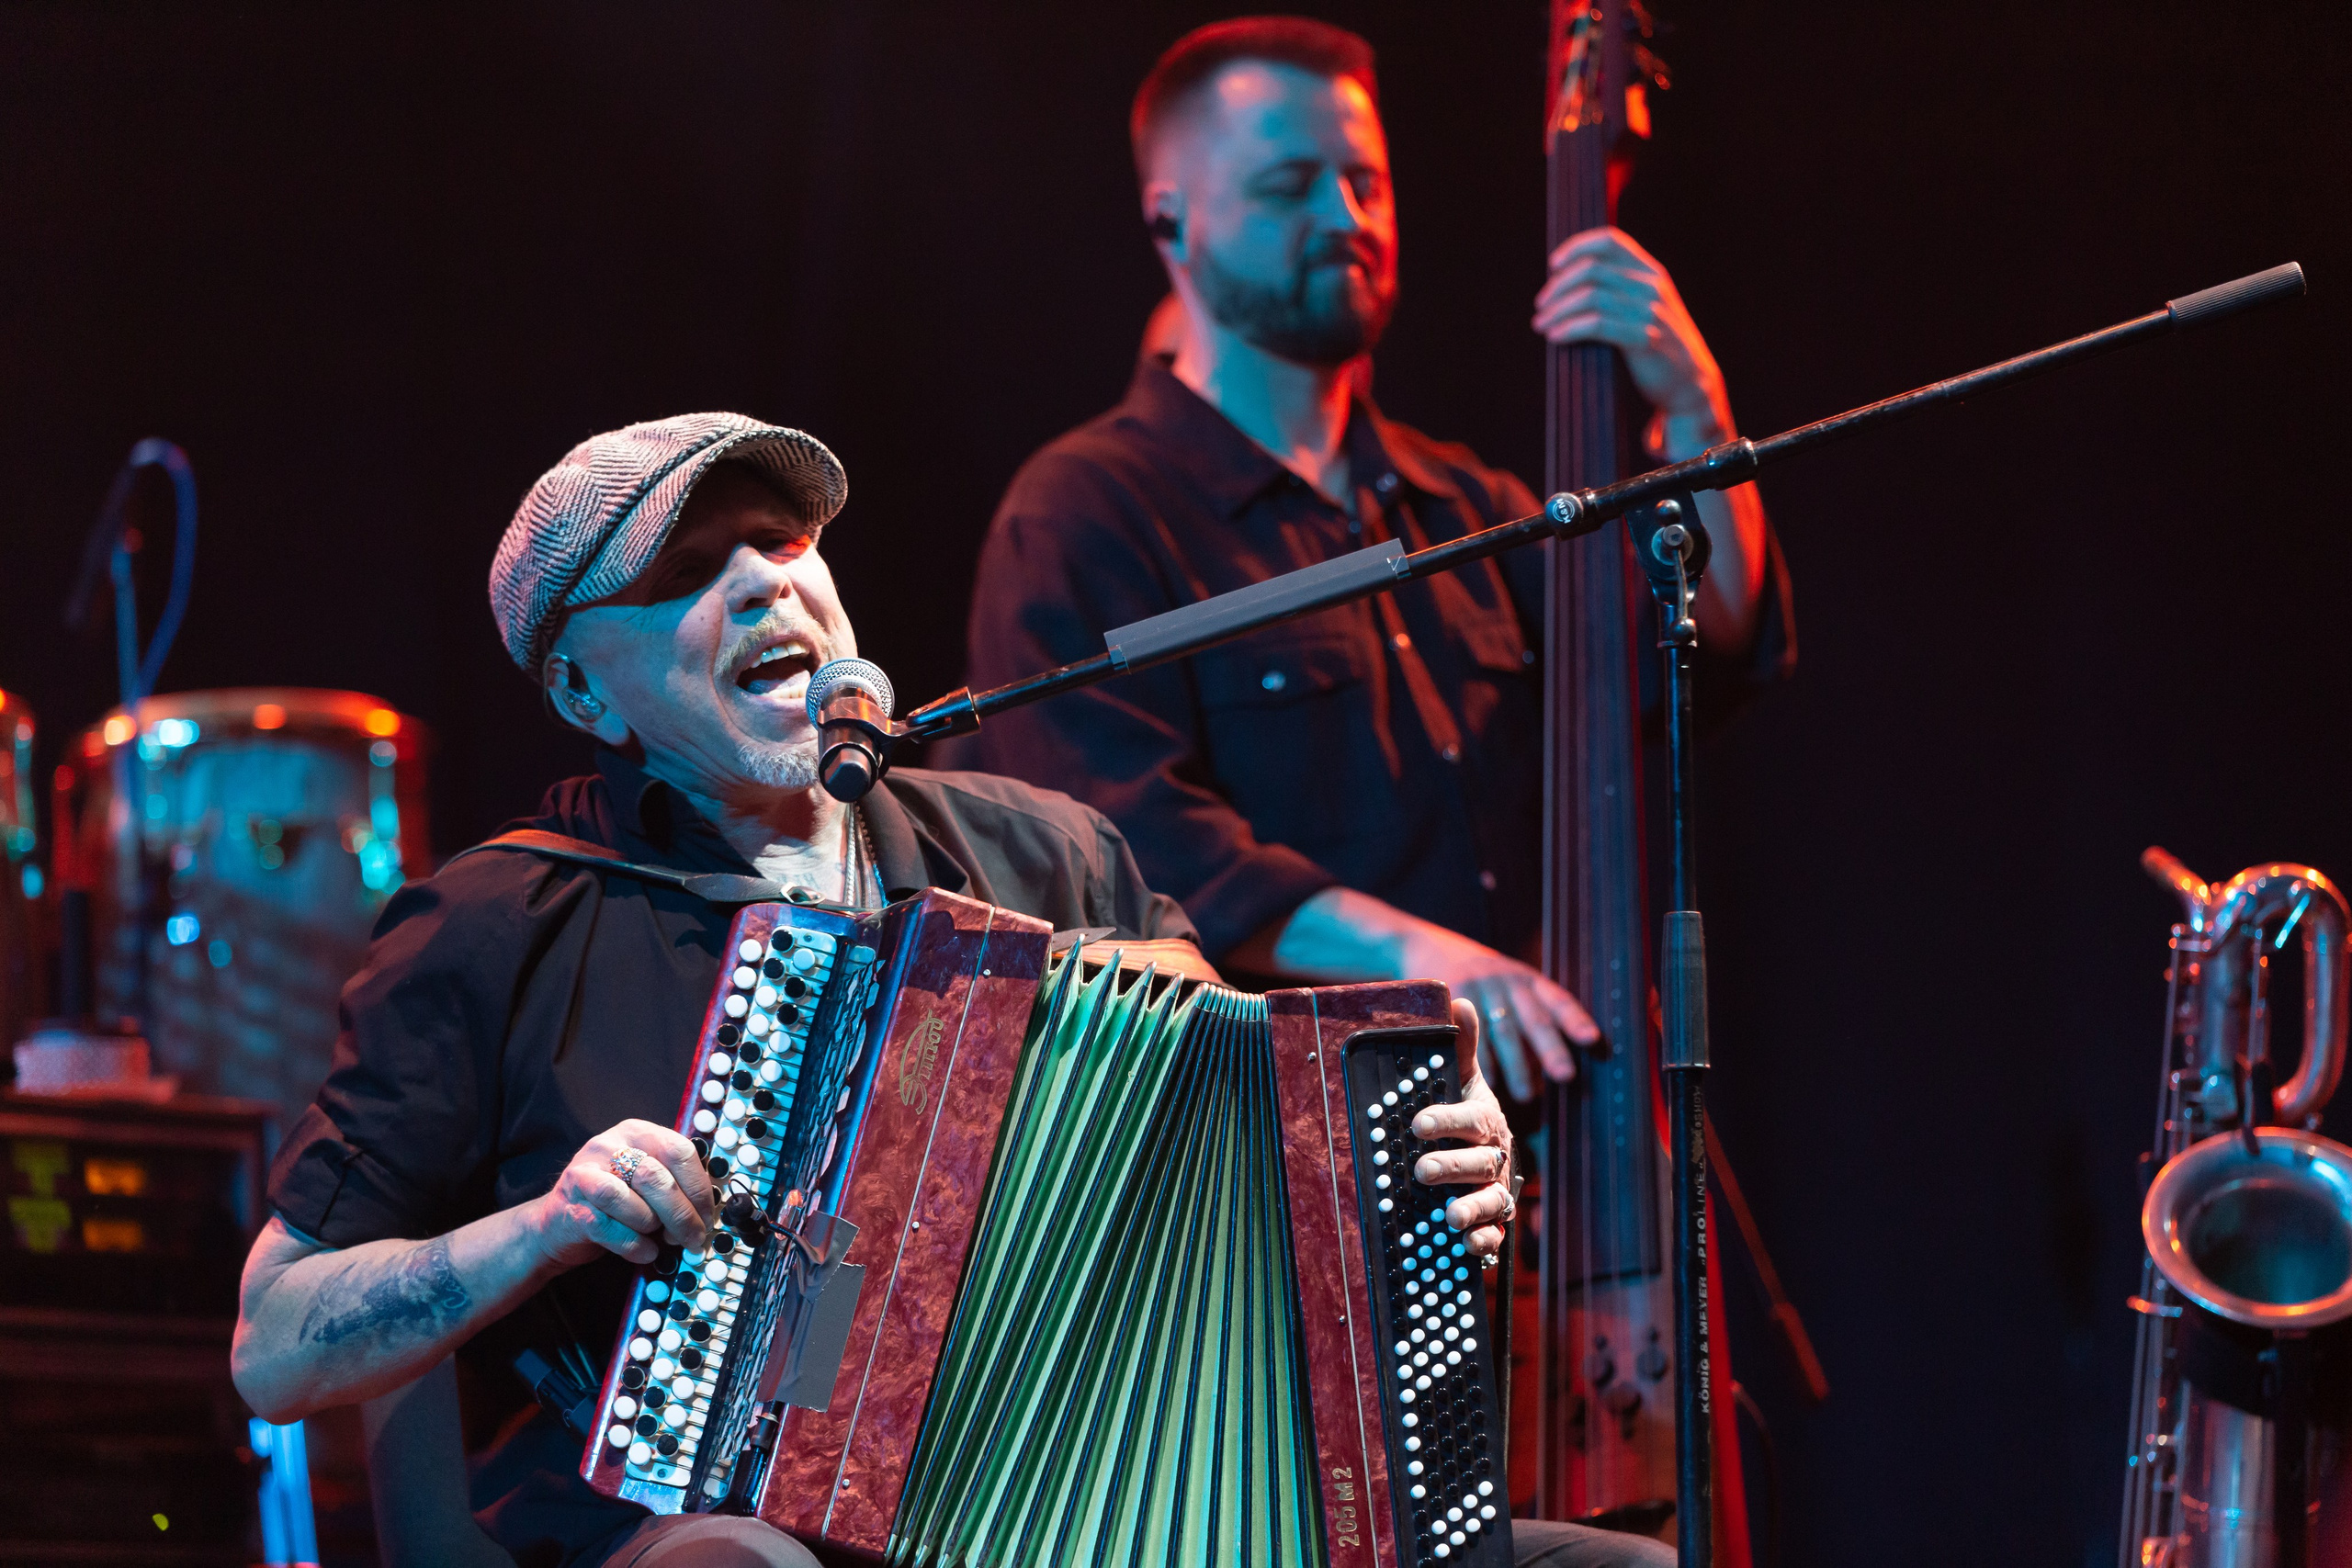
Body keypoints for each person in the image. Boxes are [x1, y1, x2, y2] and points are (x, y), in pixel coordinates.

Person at [227, 413, 1533, 1567]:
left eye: (785, 540)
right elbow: (276, 1342)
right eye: (689, 572)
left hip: (1099, 1510)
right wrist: (547, 1225)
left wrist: (1410, 1169)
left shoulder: (1048, 849)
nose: (761, 586)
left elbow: (1256, 1138)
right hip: (683, 1539)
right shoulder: (494, 925)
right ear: (582, 686)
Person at [949, 17, 1793, 1107]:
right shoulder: (1085, 510)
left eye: (1365, 182)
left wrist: (1693, 409)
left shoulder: (1475, 508)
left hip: (1556, 1135)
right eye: (1290, 185)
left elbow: (1700, 651)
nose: (1343, 218)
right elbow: (1118, 841)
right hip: (1297, 1165)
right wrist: (1422, 958)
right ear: (1171, 217)